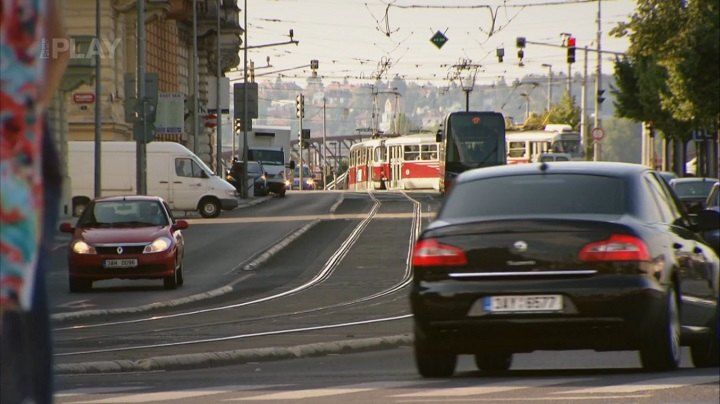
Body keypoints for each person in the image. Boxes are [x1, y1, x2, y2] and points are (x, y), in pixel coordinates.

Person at [1, 1, 69, 402]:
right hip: (24, 140)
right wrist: (32, 104)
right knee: (25, 290)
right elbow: (60, 48)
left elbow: (58, 48)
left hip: (21, 149)